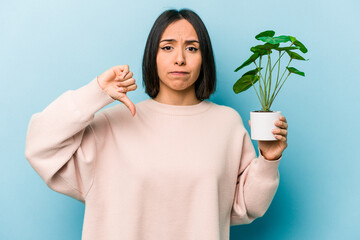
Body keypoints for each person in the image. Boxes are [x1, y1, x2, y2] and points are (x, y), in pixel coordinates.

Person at [25, 8, 288, 240]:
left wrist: (268, 160)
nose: (180, 59)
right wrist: (96, 93)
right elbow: (41, 147)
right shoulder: (114, 123)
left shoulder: (226, 123)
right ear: (153, 55)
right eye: (167, 47)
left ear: (203, 58)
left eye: (192, 48)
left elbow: (243, 206)